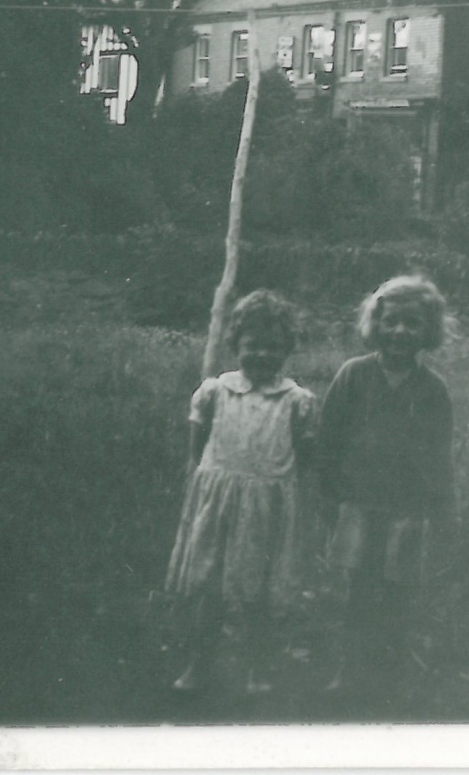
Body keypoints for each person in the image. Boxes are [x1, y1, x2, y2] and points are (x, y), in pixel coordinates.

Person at [165, 290, 317, 695]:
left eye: (274, 347)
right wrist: (204, 483)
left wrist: (289, 500)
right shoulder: (215, 392)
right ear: (235, 345)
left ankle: (258, 668)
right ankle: (199, 664)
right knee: (209, 588)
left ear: (288, 349)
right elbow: (196, 450)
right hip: (219, 501)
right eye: (253, 346)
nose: (263, 355)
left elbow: (304, 456)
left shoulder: (296, 401)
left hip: (265, 505)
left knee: (259, 593)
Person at [317, 274, 454, 704]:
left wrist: (442, 512)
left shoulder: (433, 391)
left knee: (398, 592)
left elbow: (438, 456)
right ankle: (350, 666)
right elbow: (328, 440)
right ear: (376, 325)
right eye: (391, 322)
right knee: (358, 589)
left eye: (412, 324)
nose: (399, 332)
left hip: (407, 510)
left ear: (427, 331)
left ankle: (390, 674)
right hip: (358, 504)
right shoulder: (353, 376)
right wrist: (330, 495)